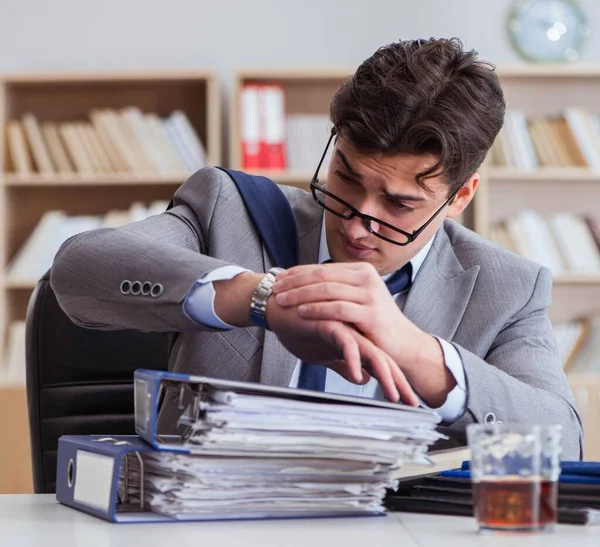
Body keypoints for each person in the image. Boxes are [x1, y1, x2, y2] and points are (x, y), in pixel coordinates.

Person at [50, 37, 583, 459]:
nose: (357, 226)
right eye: (346, 179)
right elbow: (78, 270)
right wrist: (261, 298)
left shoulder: (507, 287)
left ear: (460, 195)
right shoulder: (230, 212)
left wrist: (416, 351)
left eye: (399, 205)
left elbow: (562, 440)